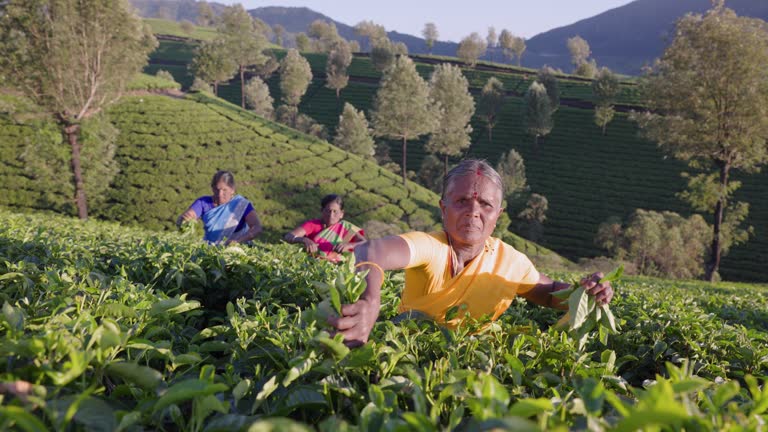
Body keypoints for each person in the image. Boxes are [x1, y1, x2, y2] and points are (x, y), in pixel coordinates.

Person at [328, 159, 614, 347]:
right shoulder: (433, 247)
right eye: (462, 201)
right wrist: (370, 301)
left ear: (498, 215)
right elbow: (372, 249)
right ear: (444, 208)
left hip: (468, 363)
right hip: (408, 353)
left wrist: (585, 293)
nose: (473, 212)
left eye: (485, 205)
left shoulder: (509, 261)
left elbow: (550, 292)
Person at [176, 170, 262, 244]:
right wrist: (184, 219)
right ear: (212, 189)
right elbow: (190, 215)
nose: (220, 194)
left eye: (225, 190)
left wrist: (237, 241)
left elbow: (256, 227)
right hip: (211, 250)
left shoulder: (241, 205)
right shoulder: (203, 202)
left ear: (232, 190)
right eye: (217, 190)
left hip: (239, 250)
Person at [284, 194, 366, 262]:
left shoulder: (346, 228)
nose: (331, 215)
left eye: (335, 211)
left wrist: (349, 245)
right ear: (322, 210)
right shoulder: (313, 225)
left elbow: (364, 243)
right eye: (328, 211)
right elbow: (289, 236)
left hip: (340, 271)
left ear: (341, 213)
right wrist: (305, 240)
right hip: (314, 268)